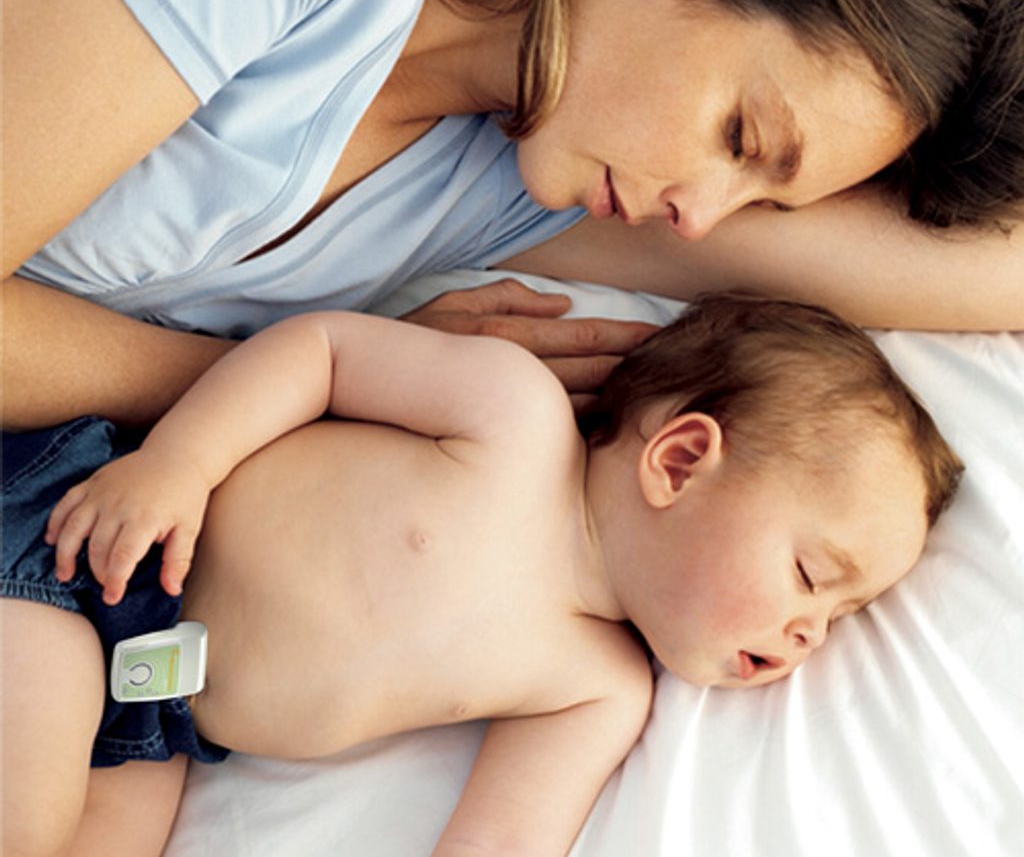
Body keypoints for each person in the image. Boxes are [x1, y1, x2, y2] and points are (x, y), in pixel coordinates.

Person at [3, 293, 964, 856]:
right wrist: (182, 461)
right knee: (26, 823)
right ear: (678, 461)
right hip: (91, 549)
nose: (812, 632)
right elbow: (323, 350)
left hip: (157, 726)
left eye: (844, 614)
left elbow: (502, 839)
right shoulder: (515, 416)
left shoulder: (598, 687)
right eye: (811, 574)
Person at [3, 0, 1023, 430]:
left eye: (765, 196)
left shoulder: (511, 187)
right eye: (740, 138)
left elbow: (986, 272)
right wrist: (315, 376)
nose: (705, 216)